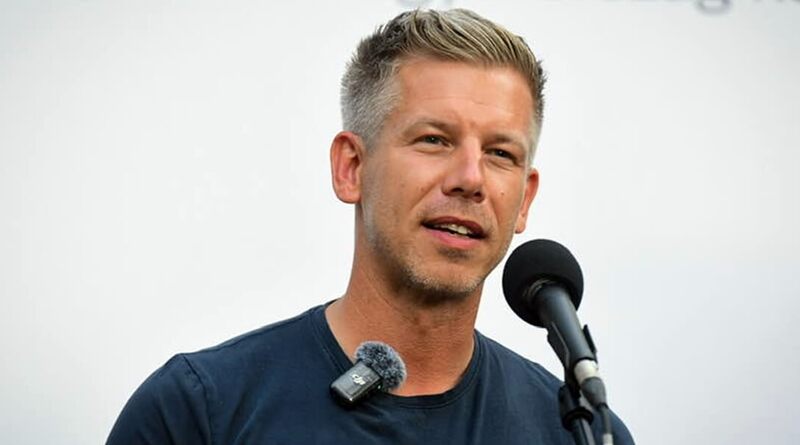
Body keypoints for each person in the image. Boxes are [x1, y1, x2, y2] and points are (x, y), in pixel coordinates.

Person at [107, 9, 634, 444]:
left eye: (500, 153)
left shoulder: (578, 432)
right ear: (352, 168)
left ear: (524, 199)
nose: (471, 179)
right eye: (434, 140)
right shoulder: (199, 411)